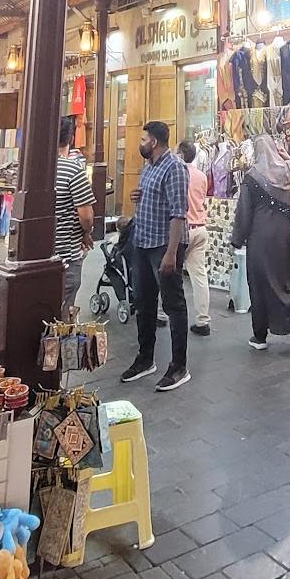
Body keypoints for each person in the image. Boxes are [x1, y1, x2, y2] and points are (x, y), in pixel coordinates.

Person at [119, 121, 191, 391]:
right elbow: (153, 200)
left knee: (173, 305)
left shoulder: (175, 168)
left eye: (143, 139)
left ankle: (179, 366)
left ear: (155, 142)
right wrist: (138, 195)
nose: (141, 143)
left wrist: (172, 253)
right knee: (144, 302)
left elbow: (178, 213)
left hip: (164, 246)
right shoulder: (149, 167)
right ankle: (145, 358)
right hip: (143, 242)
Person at [232, 134, 290, 352]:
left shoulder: (252, 177)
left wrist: (237, 239)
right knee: (286, 279)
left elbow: (244, 212)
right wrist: (287, 158)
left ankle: (260, 337)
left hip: (259, 239)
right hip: (283, 237)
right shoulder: (287, 172)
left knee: (259, 285)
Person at [53, 113, 95, 317]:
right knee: (63, 312)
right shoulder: (73, 170)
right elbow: (85, 215)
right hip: (65, 255)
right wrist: (87, 233)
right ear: (71, 139)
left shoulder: (34, 169)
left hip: (38, 255)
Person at [178, 139, 212, 337]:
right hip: (200, 228)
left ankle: (164, 315)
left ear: (181, 154)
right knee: (199, 277)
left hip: (181, 229)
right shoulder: (201, 176)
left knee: (168, 275)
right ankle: (202, 320)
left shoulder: (176, 173)